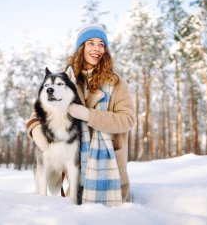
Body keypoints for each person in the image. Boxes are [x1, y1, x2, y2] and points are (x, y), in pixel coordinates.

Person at [26, 24, 134, 205]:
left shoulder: (116, 83)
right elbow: (38, 111)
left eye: (101, 44)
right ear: (81, 48)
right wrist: (36, 129)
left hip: (111, 175)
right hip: (76, 176)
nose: (96, 48)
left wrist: (88, 115)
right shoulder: (64, 79)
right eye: (91, 43)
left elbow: (127, 120)